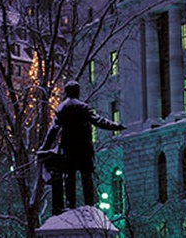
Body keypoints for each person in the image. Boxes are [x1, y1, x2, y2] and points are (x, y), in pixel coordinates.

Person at [40, 81, 125, 215]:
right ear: (77, 92)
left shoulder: (61, 109)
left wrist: (44, 147)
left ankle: (70, 206)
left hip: (68, 149)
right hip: (84, 148)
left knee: (70, 177)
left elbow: (53, 130)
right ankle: (89, 205)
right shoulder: (83, 108)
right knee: (86, 177)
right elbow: (99, 121)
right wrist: (116, 126)